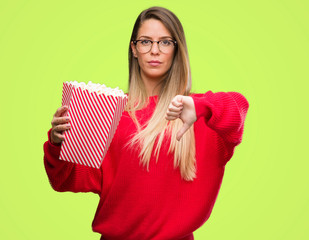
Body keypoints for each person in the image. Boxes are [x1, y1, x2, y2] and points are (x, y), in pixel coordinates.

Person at [43, 6, 249, 240]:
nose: (154, 51)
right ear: (134, 49)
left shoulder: (197, 115)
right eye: (145, 42)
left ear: (176, 49)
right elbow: (66, 180)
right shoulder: (107, 114)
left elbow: (238, 106)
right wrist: (58, 143)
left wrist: (200, 107)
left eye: (165, 42)